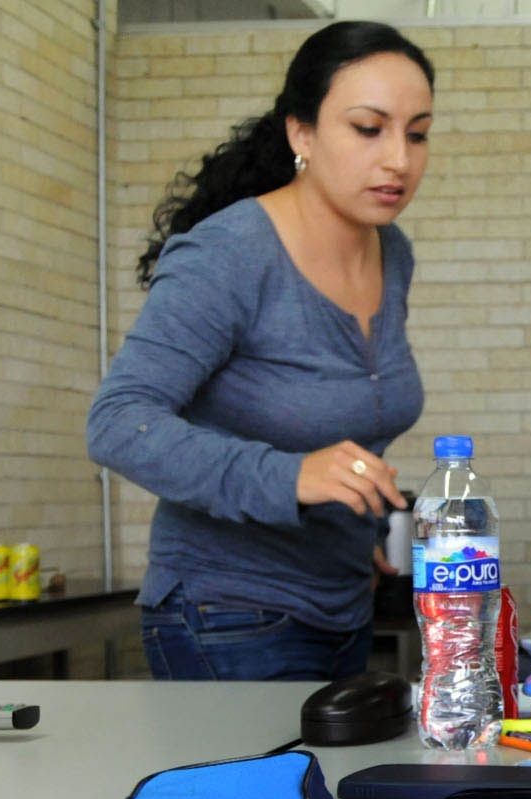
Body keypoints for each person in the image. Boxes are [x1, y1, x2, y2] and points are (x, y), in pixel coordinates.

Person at [86, 22, 434, 682]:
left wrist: (358, 516)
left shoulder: (393, 253)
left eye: (416, 133)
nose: (399, 159)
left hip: (344, 608)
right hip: (225, 613)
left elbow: (342, 418)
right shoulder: (233, 252)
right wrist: (290, 476)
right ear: (301, 133)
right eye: (369, 128)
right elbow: (116, 421)